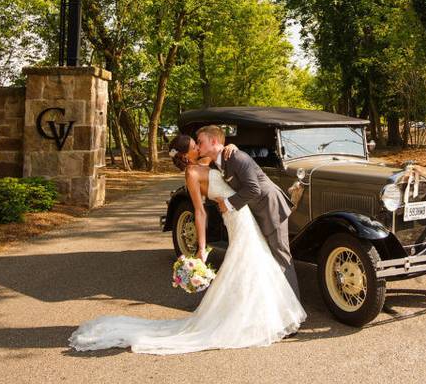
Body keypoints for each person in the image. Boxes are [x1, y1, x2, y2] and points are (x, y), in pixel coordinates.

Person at [67, 134, 305, 354]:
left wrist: (232, 146)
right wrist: (201, 249)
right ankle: (277, 316)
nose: (198, 147)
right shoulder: (192, 173)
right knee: (250, 264)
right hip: (235, 218)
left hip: (244, 213)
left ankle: (269, 313)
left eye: (199, 143)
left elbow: (225, 157)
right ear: (185, 155)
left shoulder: (211, 160)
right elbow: (199, 213)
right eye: (194, 146)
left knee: (257, 264)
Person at [195, 124, 300, 299]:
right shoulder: (217, 161)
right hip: (254, 211)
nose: (198, 145)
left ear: (213, 141)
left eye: (200, 141)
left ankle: (294, 309)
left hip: (271, 208)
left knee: (281, 256)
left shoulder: (237, 157)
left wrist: (227, 204)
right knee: (267, 258)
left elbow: (254, 189)